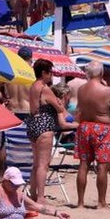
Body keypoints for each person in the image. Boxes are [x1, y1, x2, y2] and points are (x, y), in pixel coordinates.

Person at [73, 61, 110, 208]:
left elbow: (78, 110)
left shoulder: (81, 90)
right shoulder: (107, 90)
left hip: (85, 127)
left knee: (83, 164)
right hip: (101, 127)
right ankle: (101, 202)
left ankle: (80, 202)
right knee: (102, 166)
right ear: (101, 73)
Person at [27, 59, 72, 202]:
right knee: (43, 164)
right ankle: (40, 197)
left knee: (36, 163)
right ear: (43, 73)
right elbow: (59, 109)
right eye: (50, 72)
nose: (52, 75)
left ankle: (33, 194)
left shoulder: (34, 86)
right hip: (44, 125)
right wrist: (59, 103)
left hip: (33, 123)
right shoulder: (44, 88)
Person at [3, 46, 33, 117]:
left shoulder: (10, 72)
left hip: (11, 110)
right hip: (26, 110)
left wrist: (3, 98)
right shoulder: (33, 73)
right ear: (30, 58)